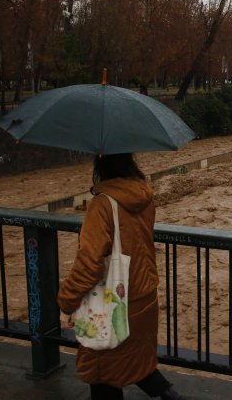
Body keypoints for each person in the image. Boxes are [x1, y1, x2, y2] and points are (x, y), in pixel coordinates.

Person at [58, 153, 185, 400]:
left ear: (100, 166)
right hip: (144, 295)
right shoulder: (144, 195)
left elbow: (89, 264)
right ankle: (170, 396)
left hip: (114, 302)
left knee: (103, 372)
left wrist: (66, 302)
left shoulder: (103, 204)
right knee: (135, 359)